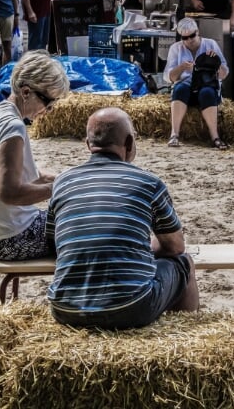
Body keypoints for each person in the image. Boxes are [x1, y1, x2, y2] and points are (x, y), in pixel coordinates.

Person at [47, 107, 199, 329]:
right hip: (130, 308)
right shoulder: (149, 183)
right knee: (183, 263)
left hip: (65, 309)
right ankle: (185, 336)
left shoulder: (62, 182)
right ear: (129, 143)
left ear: (88, 145)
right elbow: (175, 247)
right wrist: (140, 248)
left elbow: (55, 245)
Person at [0, 51, 71, 261]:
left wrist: (66, 179)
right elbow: (10, 193)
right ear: (26, 92)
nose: (48, 111)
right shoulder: (12, 128)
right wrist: (60, 188)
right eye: (48, 102)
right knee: (90, 228)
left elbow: (28, 176)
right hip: (6, 239)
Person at [163, 17, 230, 150]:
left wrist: (214, 62)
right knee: (180, 89)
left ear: (198, 32)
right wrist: (181, 67)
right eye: (184, 38)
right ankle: (174, 134)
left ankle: (215, 137)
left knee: (207, 92)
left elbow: (224, 74)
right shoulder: (176, 48)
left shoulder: (211, 44)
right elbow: (168, 77)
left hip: (206, 85)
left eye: (192, 36)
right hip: (186, 87)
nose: (189, 40)